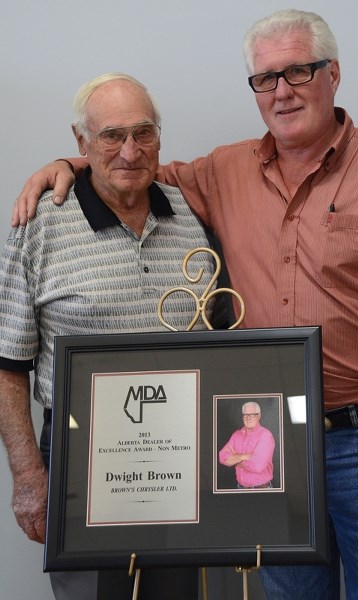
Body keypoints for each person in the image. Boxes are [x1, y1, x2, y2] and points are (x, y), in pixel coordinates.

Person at [11, 8, 358, 600]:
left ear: (334, 74)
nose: (281, 91)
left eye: (299, 72)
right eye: (265, 78)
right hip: (270, 447)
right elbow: (134, 169)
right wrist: (70, 164)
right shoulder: (224, 171)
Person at [0, 72, 229, 600]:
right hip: (80, 456)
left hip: (183, 452)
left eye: (144, 133)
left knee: (182, 591)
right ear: (80, 143)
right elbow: (9, 367)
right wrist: (30, 477)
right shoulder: (38, 226)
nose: (130, 150)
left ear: (159, 138)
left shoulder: (192, 216)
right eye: (111, 135)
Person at [219, 401, 275, 489]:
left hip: (260, 489)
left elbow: (257, 466)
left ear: (259, 416)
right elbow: (222, 457)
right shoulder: (236, 435)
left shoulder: (265, 435)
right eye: (246, 414)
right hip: (240, 488)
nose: (248, 418)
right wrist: (244, 456)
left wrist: (234, 460)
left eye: (252, 414)